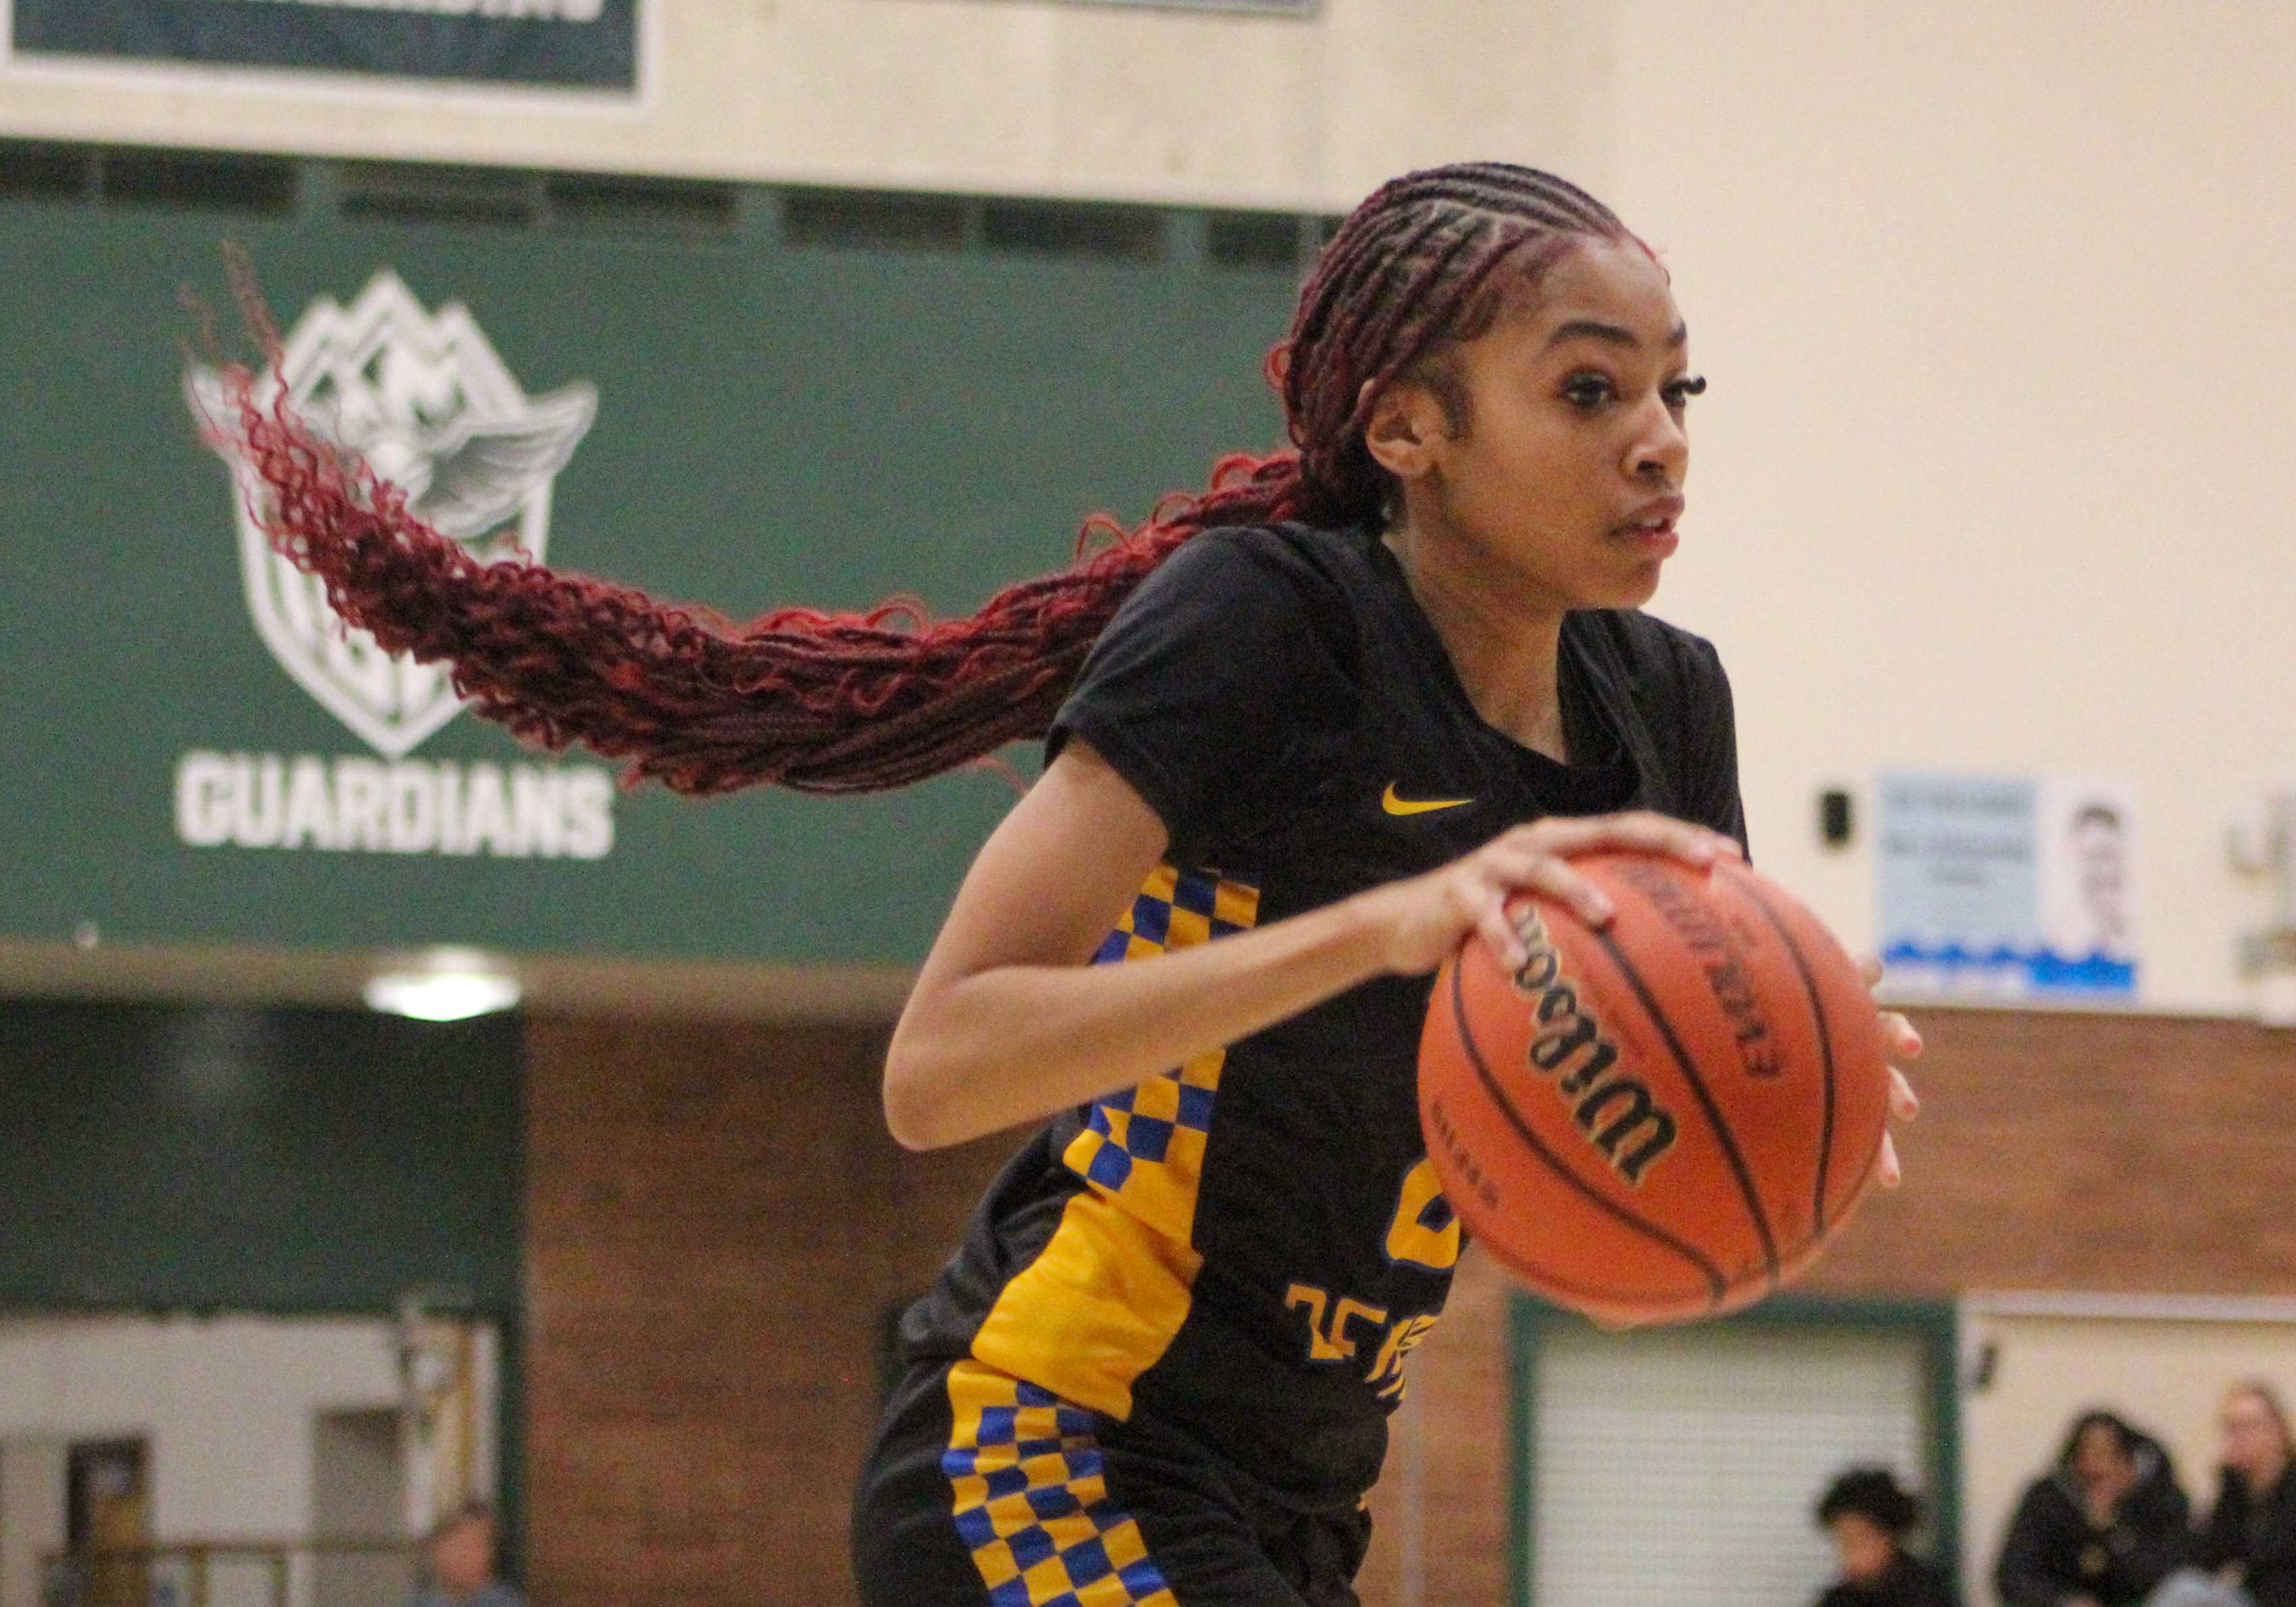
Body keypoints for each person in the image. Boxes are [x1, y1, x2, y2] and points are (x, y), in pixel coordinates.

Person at [211, 161, 1921, 1607]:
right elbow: (937, 1059)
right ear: (1404, 424)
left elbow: (1587, 1142)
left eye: (1672, 392)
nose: (1655, 443)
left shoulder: (1663, 705)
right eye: (1586, 388)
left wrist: (1770, 1129)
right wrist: (1369, 931)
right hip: (1051, 1436)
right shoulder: (1270, 622)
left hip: (1303, 1492)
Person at [1996, 1410, 2190, 1607]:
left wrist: (2111, 1528)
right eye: (2087, 1454)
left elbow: (2165, 1577)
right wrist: (2063, 1602)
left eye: (2109, 1455)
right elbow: (2014, 1574)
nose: (2096, 1467)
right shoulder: (2048, 1500)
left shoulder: (2158, 1501)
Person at [2153, 1380, 2296, 1607]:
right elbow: (2206, 1554)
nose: (2237, 1437)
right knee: (2185, 1586)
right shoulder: (2236, 1491)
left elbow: (2273, 1559)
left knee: (2185, 1591)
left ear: (2276, 1429)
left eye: (2247, 1427)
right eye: (2231, 1428)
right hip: (2251, 1597)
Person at [1810, 1467, 1957, 1607]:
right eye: (1843, 1542)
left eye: (1859, 1540)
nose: (1849, 1556)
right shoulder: (1838, 1600)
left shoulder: (1927, 1594)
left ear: (1889, 1536)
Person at [400, 1502, 523, 1607]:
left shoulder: (504, 1603)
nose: (464, 1555)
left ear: (492, 1554)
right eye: (457, 1544)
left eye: (475, 1546)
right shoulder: (422, 1602)